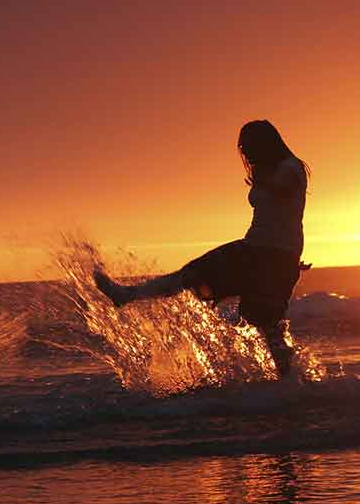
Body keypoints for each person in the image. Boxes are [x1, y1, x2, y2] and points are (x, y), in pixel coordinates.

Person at [94, 120, 309, 377]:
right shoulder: (270, 170)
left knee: (262, 317)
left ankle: (290, 384)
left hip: (266, 252)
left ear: (265, 143)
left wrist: (263, 182)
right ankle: (289, 384)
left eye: (248, 145)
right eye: (242, 147)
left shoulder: (291, 168)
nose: (245, 152)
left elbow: (285, 189)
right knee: (262, 318)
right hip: (267, 251)